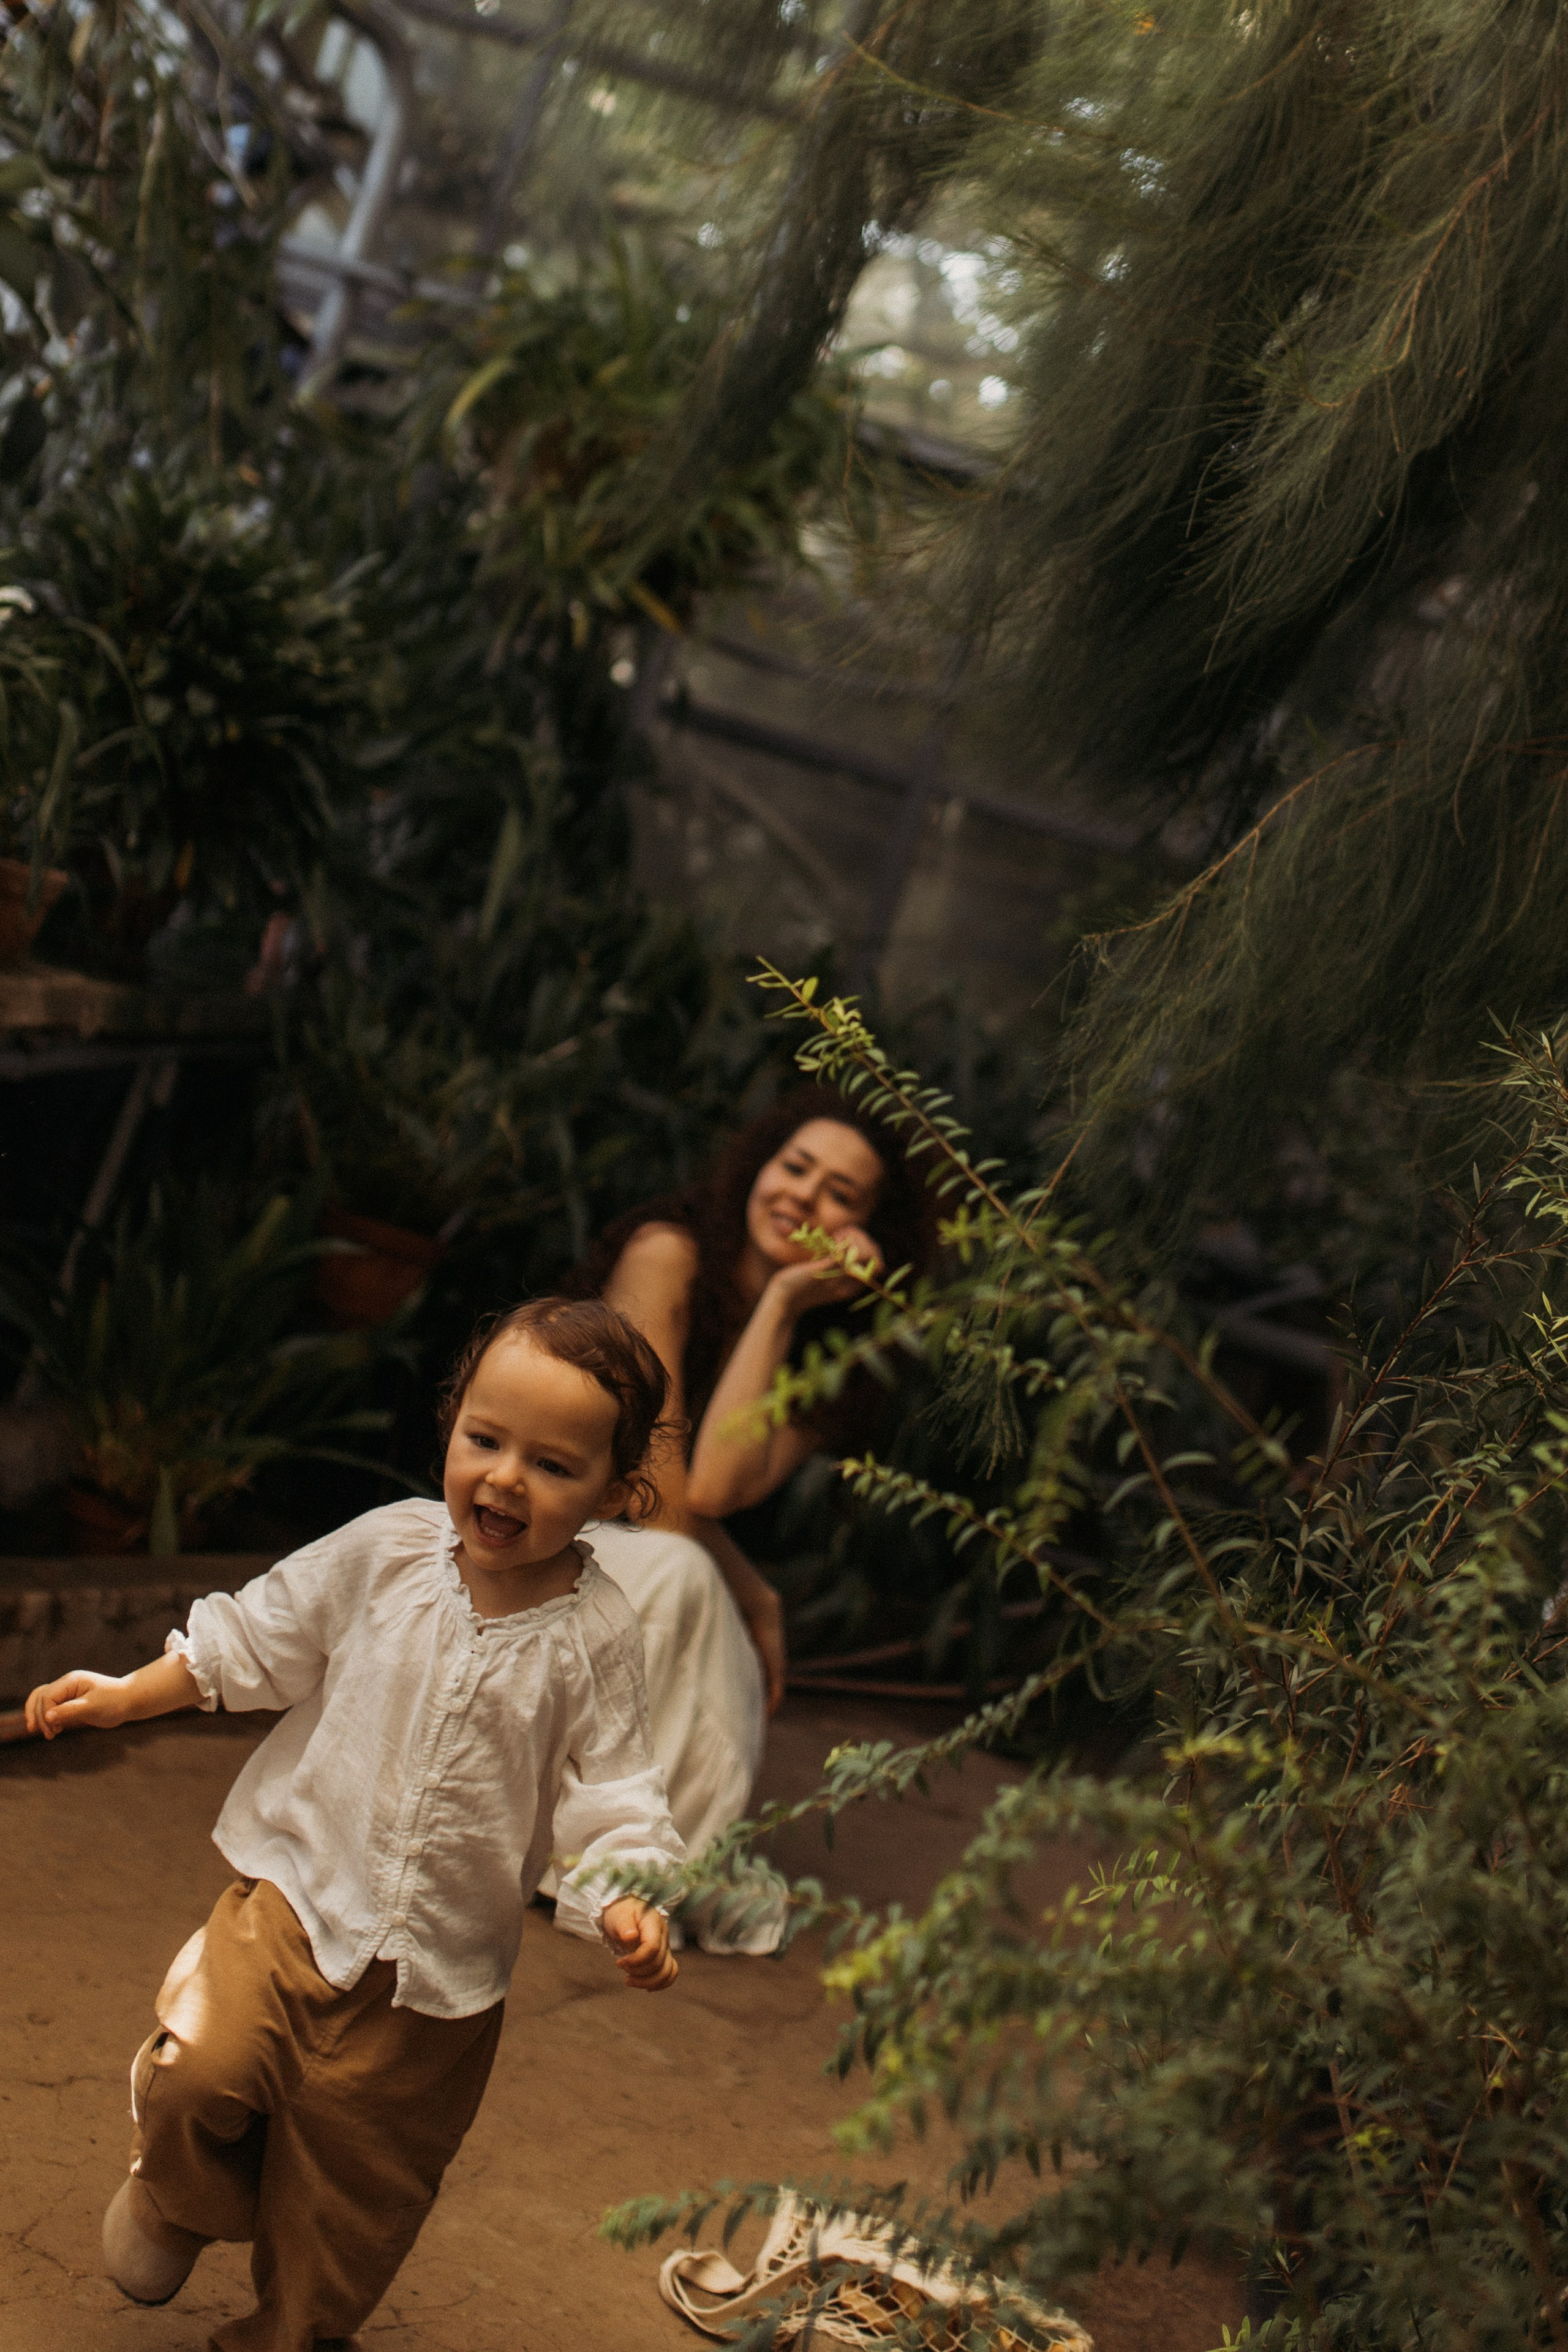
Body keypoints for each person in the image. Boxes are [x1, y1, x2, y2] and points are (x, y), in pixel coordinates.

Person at [23, 1296, 685, 2352]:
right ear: (451, 1426)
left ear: (615, 1490)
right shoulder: (386, 1552)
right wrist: (123, 1693)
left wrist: (631, 1896)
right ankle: (179, 2200)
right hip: (297, 1898)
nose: (506, 1478)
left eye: (555, 1466)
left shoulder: (595, 1636)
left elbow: (617, 1792)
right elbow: (254, 1640)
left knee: (354, 2196)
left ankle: (287, 2335)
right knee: (202, 2068)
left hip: (438, 1981)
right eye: (485, 1439)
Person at [564, 1084, 938, 1953]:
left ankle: (629, 1872)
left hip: (658, 1563)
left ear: (870, 1235)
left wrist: (783, 1306)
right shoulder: (667, 1256)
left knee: (715, 1626)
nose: (803, 1197)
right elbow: (654, 1502)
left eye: (840, 1194)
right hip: (548, 1534)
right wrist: (752, 1588)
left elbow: (717, 1489)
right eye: (794, 1167)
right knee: (700, 1588)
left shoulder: (832, 1359)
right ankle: (587, 1857)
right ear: (756, 1169)